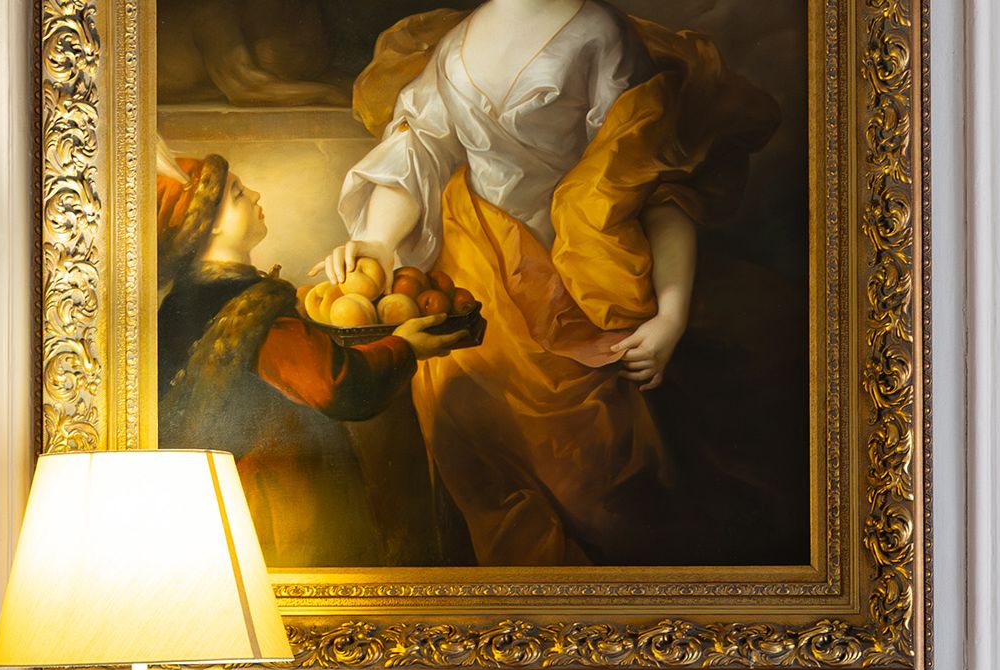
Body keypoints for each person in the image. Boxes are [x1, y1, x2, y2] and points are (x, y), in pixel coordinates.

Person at [313, 0, 805, 567]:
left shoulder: (599, 34)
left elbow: (653, 187)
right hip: (479, 284)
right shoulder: (454, 45)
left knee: (600, 485)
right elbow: (419, 150)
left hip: (585, 287)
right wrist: (377, 240)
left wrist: (671, 315)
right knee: (476, 455)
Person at [154, 153, 466, 566]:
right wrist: (405, 348)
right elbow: (336, 384)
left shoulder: (182, 301)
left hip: (223, 511)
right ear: (210, 223)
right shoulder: (250, 310)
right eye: (238, 193)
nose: (255, 195)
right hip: (280, 513)